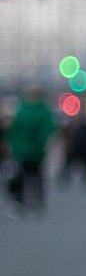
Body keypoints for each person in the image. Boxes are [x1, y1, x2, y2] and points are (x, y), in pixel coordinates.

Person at [5, 84, 58, 217]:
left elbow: (50, 128)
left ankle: (37, 200)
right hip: (23, 150)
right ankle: (21, 200)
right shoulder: (23, 109)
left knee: (37, 176)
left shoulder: (41, 110)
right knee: (23, 176)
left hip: (36, 151)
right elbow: (14, 129)